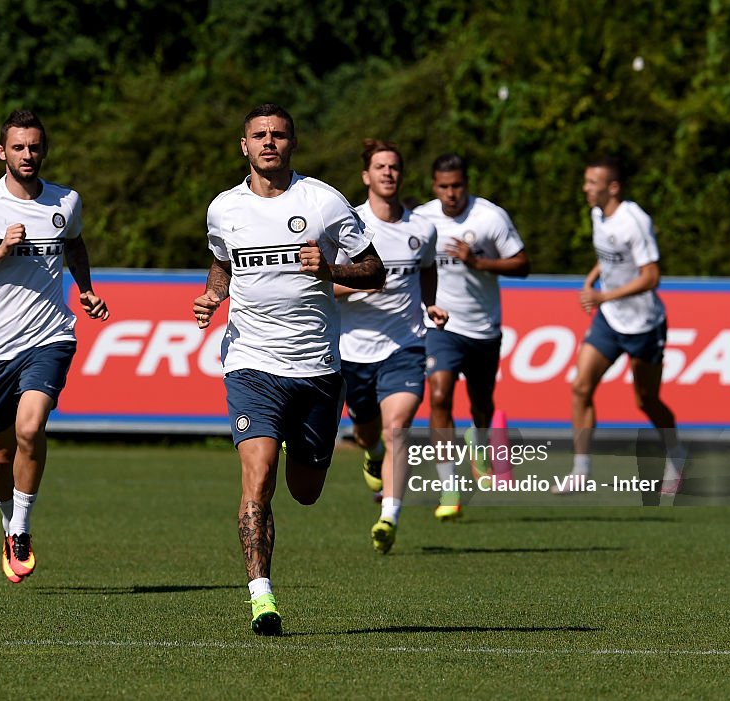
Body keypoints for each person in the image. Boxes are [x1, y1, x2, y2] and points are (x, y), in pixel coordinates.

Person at [193, 104, 385, 635]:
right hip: (250, 364)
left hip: (318, 369)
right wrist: (214, 295)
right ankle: (262, 598)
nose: (269, 143)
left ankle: (351, 455)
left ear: (293, 143)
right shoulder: (224, 209)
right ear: (244, 145)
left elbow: (375, 271)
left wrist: (332, 269)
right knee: (257, 481)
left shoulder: (323, 202)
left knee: (304, 489)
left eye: (279, 135)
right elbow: (221, 260)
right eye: (260, 135)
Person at [0, 109, 110, 584]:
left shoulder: (66, 200)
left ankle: (21, 529)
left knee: (30, 428)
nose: (27, 155)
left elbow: (73, 244)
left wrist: (86, 288)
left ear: (44, 149)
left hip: (50, 336)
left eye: (34, 147)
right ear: (2, 152)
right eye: (18, 147)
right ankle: (6, 516)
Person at [334, 139, 446, 554]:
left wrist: (429, 302)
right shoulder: (348, 228)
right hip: (353, 349)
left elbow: (428, 268)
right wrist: (360, 283)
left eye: (394, 167)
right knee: (368, 432)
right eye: (380, 167)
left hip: (405, 344)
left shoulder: (422, 229)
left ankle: (390, 515)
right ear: (366, 176)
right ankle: (372, 453)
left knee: (399, 428)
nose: (387, 173)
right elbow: (326, 284)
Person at [553, 156, 685, 495]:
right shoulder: (598, 213)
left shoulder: (635, 221)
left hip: (643, 325)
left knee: (646, 401)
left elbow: (651, 276)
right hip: (609, 322)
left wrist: (604, 296)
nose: (585, 188)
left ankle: (677, 454)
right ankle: (580, 471)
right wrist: (591, 280)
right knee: (581, 386)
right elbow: (608, 255)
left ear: (612, 187)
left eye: (591, 183)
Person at [414, 153, 530, 521]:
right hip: (441, 326)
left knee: (482, 405)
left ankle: (479, 442)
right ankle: (449, 488)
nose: (451, 194)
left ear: (467, 184)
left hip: (483, 328)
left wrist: (478, 263)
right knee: (439, 395)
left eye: (457, 186)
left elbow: (522, 264)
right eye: (444, 187)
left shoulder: (489, 217)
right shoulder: (423, 219)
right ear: (434, 186)